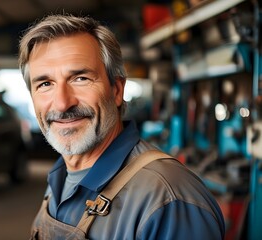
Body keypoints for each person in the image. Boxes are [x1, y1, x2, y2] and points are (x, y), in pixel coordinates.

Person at [18, 14, 225, 240]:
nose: (62, 103)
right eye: (45, 84)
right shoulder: (60, 176)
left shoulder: (167, 199)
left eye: (80, 78)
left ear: (116, 90)